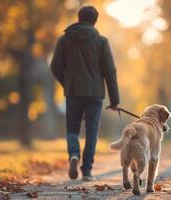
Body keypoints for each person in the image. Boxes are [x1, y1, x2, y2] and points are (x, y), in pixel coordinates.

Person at [50, 6, 120, 181]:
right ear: (95, 20)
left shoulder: (64, 39)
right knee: (92, 132)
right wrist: (115, 100)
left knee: (72, 129)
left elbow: (55, 67)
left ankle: (74, 154)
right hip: (95, 93)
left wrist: (67, 82)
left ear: (79, 17)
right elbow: (109, 71)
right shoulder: (101, 41)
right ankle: (87, 171)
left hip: (73, 91)